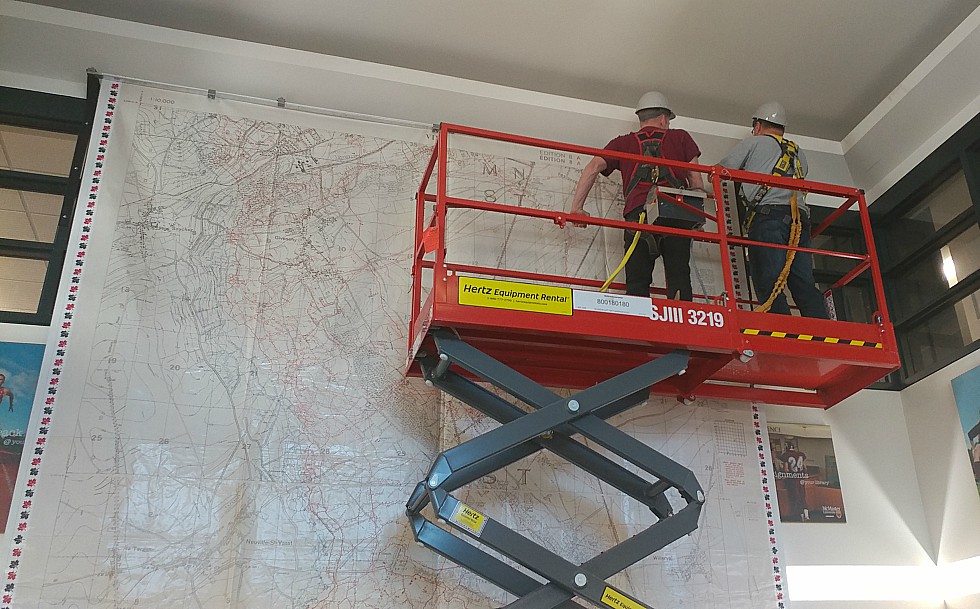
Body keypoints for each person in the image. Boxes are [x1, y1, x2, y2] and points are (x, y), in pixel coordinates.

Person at [568, 91, 705, 299]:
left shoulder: (622, 143)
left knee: (637, 283)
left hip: (637, 220)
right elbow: (696, 182)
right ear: (663, 118)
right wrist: (698, 217)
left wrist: (576, 209)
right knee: (679, 278)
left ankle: (638, 324)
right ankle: (680, 323)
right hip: (675, 217)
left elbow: (594, 166)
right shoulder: (681, 138)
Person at [718, 102, 829, 318]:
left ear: (758, 125)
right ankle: (821, 329)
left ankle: (780, 328)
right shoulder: (799, 153)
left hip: (769, 218)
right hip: (799, 223)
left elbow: (722, 171)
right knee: (802, 281)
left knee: (767, 276)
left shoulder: (755, 143)